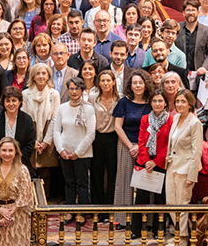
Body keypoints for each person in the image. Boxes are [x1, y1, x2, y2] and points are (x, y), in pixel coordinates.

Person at [112, 70, 154, 227]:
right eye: (135, 83)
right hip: (126, 146)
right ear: (130, 85)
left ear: (146, 85)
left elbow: (155, 127)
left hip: (147, 147)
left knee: (146, 182)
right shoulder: (124, 102)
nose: (138, 85)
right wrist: (131, 146)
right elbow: (117, 126)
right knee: (124, 182)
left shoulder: (152, 103)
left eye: (141, 83)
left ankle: (147, 220)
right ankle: (123, 219)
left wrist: (142, 146)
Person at [131, 89, 173, 239]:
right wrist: (147, 160)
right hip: (144, 162)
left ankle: (158, 230)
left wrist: (155, 162)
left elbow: (169, 144)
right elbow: (141, 141)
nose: (157, 103)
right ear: (150, 103)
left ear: (166, 103)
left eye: (160, 101)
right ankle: (136, 229)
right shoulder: (145, 119)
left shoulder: (171, 120)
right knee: (140, 198)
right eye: (154, 101)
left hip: (160, 163)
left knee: (159, 200)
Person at [54, 76, 96, 224]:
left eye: (77, 88)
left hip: (82, 154)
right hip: (65, 152)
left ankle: (82, 212)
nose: (74, 91)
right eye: (71, 88)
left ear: (82, 90)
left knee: (82, 183)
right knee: (69, 182)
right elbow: (56, 131)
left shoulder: (88, 109)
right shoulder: (62, 108)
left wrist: (77, 152)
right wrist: (61, 150)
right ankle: (70, 210)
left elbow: (91, 134)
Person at [165, 90, 204, 246]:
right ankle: (180, 232)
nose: (179, 104)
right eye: (177, 101)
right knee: (170, 203)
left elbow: (197, 151)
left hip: (186, 168)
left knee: (182, 204)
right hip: (172, 165)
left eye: (183, 101)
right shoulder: (175, 118)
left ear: (190, 104)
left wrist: (191, 175)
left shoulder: (195, 123)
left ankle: (182, 238)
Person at [0, 137, 35, 246]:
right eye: (4, 150)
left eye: (10, 150)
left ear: (16, 152)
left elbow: (25, 192)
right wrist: (0, 209)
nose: (7, 153)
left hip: (18, 215)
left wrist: (10, 212)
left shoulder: (23, 169)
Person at [22, 63, 61, 194]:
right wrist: (32, 141)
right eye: (38, 73)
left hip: (47, 136)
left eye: (44, 73)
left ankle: (45, 205)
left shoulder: (54, 94)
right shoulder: (25, 94)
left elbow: (55, 119)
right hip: (30, 137)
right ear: (33, 76)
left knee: (46, 173)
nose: (41, 76)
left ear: (48, 76)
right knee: (30, 173)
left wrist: (45, 142)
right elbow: (24, 119)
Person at [0, 86, 36, 174]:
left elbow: (30, 144)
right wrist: (2, 158)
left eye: (14, 100)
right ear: (3, 103)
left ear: (19, 102)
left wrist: (16, 161)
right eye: (7, 101)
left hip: (20, 165)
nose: (11, 104)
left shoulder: (27, 119)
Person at [89, 70, 119, 222]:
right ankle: (98, 209)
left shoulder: (120, 99)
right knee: (97, 174)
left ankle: (110, 209)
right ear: (99, 83)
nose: (106, 83)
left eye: (109, 80)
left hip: (114, 138)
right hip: (97, 138)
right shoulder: (93, 99)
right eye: (103, 80)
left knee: (113, 174)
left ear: (114, 82)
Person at [176, 0, 208, 90]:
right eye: (188, 10)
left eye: (193, 10)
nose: (191, 13)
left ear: (198, 12)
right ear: (183, 13)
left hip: (198, 74)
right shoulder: (176, 28)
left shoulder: (206, 30)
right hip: (179, 74)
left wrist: (204, 67)